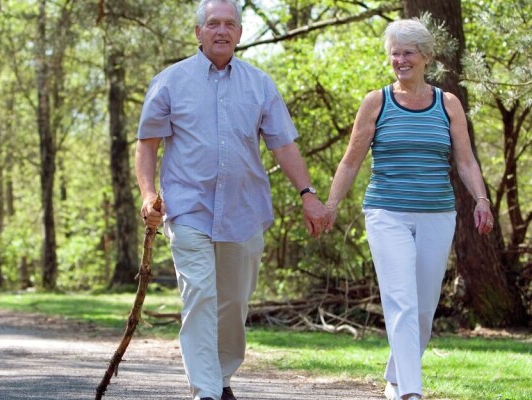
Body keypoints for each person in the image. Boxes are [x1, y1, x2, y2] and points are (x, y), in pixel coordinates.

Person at [134, 1, 330, 399]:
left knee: (234, 303)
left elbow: (284, 146)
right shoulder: (170, 81)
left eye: (229, 24)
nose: (221, 31)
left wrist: (308, 194)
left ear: (240, 33)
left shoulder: (260, 84)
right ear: (198, 33)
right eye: (212, 24)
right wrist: (149, 193)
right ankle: (206, 390)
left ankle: (221, 377)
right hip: (188, 209)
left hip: (244, 209)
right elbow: (147, 143)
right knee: (201, 294)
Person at [323, 19, 493, 400]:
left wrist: (481, 200)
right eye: (394, 53)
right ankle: (410, 393)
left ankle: (396, 377)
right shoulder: (376, 102)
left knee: (423, 307)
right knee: (400, 298)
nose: (400, 60)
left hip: (437, 214)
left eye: (407, 52)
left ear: (426, 57)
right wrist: (330, 205)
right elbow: (351, 162)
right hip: (387, 213)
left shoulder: (447, 104)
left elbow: (465, 162)